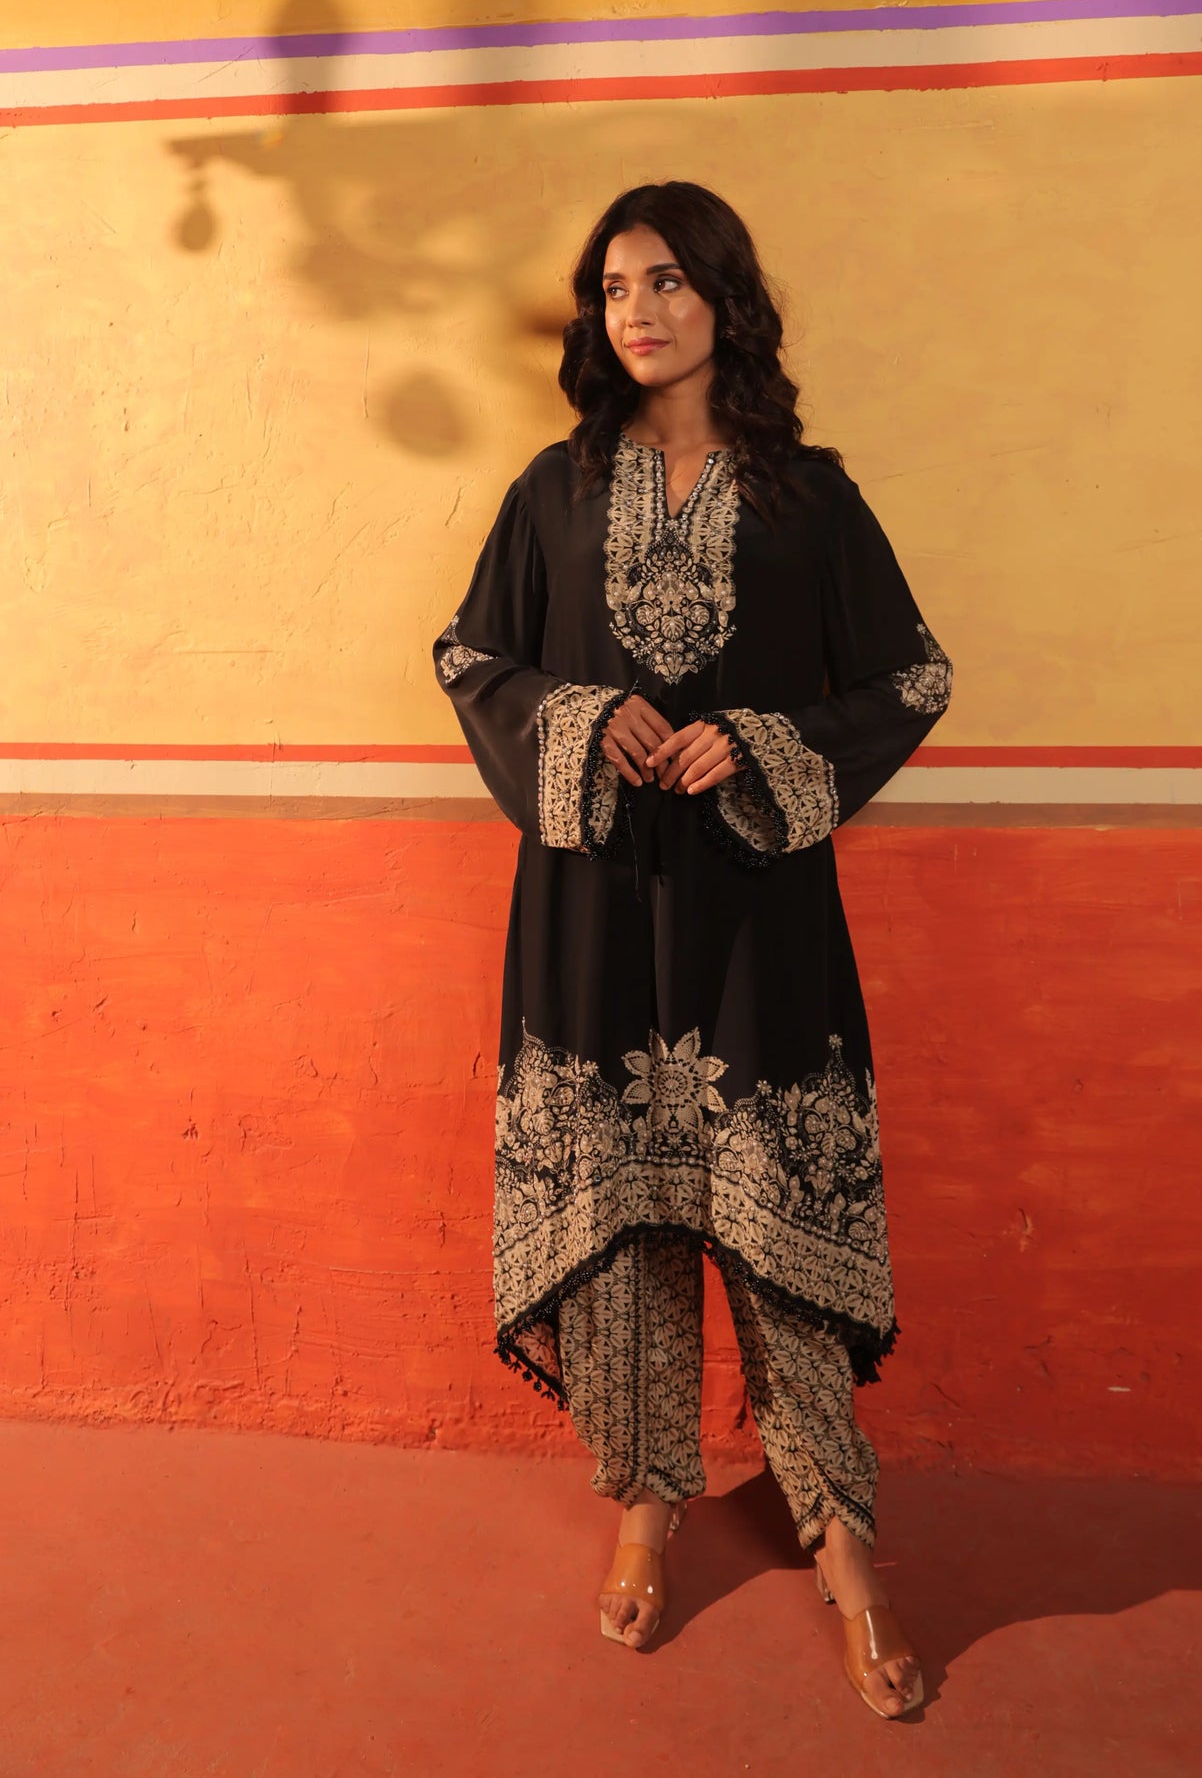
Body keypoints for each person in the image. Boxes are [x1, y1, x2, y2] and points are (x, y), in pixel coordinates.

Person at [432, 181, 951, 1719]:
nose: (638, 311)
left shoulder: (809, 498)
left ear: (726, 296)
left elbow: (913, 676)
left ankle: (844, 1545)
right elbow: (470, 654)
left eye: (666, 281)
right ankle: (646, 1507)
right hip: (594, 901)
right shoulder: (557, 490)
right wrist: (580, 717)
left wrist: (763, 744)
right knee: (623, 1222)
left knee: (777, 1216)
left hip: (753, 904)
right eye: (613, 288)